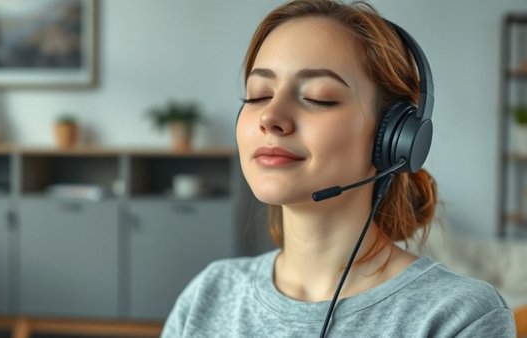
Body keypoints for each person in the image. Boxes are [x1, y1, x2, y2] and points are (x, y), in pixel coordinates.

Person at [161, 0, 516, 337]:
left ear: (393, 136)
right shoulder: (208, 295)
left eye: (318, 97)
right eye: (258, 95)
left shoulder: (461, 318)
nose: (270, 117)